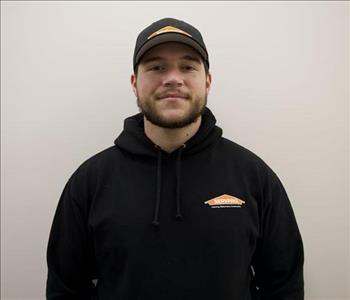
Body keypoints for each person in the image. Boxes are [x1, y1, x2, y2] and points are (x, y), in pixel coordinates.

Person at [46, 17, 304, 300]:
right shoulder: (90, 181)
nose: (172, 78)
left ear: (207, 81)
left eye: (188, 66)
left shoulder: (253, 176)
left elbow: (284, 286)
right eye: (156, 67)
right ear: (135, 83)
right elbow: (65, 288)